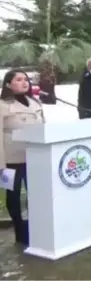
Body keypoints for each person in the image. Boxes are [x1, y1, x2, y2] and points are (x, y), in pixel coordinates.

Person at [0, 70, 46, 246]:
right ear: (8, 84)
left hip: (35, 156)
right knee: (13, 195)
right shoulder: (3, 105)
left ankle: (37, 227)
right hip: (11, 159)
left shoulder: (34, 102)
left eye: (25, 79)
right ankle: (20, 231)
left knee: (36, 193)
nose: (24, 82)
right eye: (18, 80)